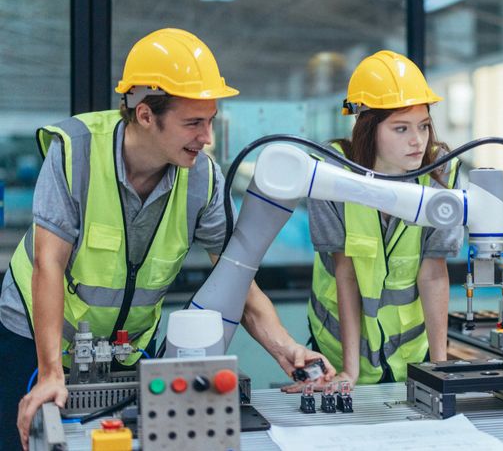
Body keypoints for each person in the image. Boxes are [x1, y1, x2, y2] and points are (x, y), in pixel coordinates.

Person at [1, 28, 333, 450]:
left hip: (126, 345)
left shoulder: (203, 180)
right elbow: (49, 264)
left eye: (210, 120)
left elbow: (235, 280)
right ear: (144, 114)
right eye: (193, 123)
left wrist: (285, 347)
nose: (207, 137)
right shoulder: (75, 154)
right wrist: (50, 371)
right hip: (32, 334)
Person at [304, 50, 462, 385]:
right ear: (368, 127)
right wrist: (350, 370)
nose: (417, 140)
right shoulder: (330, 174)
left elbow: (433, 274)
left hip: (410, 354)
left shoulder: (441, 174)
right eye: (401, 128)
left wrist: (439, 369)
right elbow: (345, 272)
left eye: (423, 126)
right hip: (339, 352)